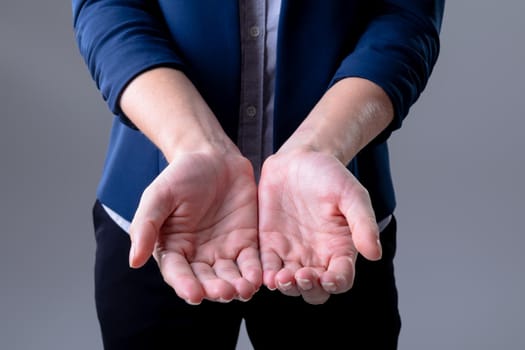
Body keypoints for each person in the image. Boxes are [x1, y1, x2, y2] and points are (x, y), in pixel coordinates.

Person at [72, 1, 444, 349]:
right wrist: (194, 144)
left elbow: (405, 17)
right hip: (168, 219)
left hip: (330, 225)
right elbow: (108, 6)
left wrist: (319, 148)